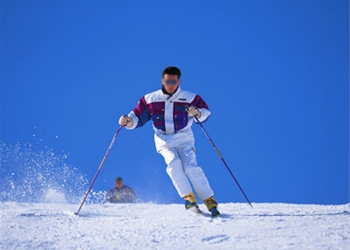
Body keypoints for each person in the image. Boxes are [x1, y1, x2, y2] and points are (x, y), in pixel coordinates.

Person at [118, 66, 219, 216]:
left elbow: (206, 112)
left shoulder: (190, 97)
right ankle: (188, 197)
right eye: (167, 81)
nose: (170, 84)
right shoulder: (151, 98)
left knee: (190, 166)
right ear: (162, 81)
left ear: (178, 81)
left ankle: (208, 199)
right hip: (163, 138)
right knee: (173, 163)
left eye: (173, 81)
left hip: (184, 137)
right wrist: (127, 122)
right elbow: (137, 116)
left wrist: (197, 113)